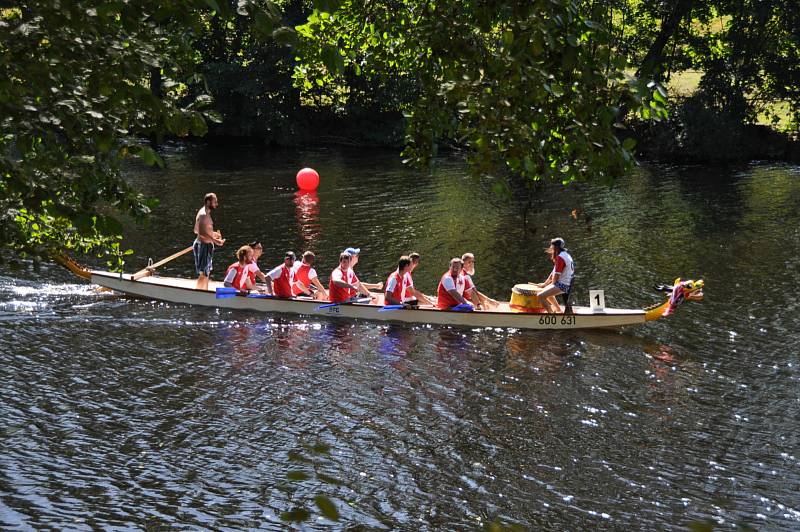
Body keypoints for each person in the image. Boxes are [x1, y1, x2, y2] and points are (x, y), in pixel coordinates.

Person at [530, 237, 574, 313]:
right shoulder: (565, 254)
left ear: (555, 247)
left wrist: (548, 286)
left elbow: (555, 278)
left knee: (540, 296)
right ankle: (558, 310)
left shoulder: (560, 257)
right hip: (566, 283)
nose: (550, 248)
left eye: (552, 246)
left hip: (563, 285)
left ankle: (551, 315)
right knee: (545, 291)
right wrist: (544, 284)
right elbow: (553, 273)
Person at [193, 192, 225, 290]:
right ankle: (198, 294)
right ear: (208, 202)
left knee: (206, 272)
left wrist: (213, 234)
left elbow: (196, 230)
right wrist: (215, 240)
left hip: (206, 245)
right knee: (203, 273)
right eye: (214, 201)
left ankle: (204, 291)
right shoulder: (203, 214)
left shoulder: (205, 213)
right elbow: (201, 232)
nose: (216, 204)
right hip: (203, 245)